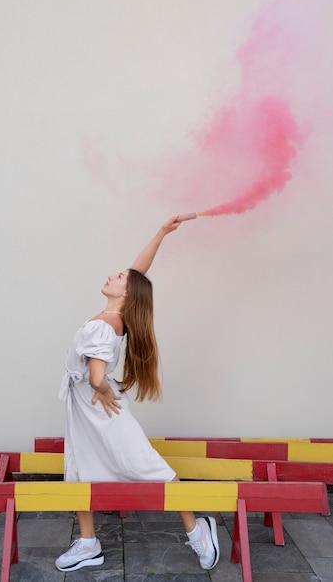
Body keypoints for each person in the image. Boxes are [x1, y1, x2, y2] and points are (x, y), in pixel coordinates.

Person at [56, 216, 220, 572]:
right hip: (86, 407)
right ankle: (87, 543)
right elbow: (137, 273)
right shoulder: (118, 314)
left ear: (126, 293)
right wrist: (162, 232)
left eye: (119, 277)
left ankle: (198, 533)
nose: (114, 275)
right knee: (81, 469)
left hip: (100, 407)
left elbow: (97, 375)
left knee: (145, 464)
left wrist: (99, 387)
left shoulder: (106, 325)